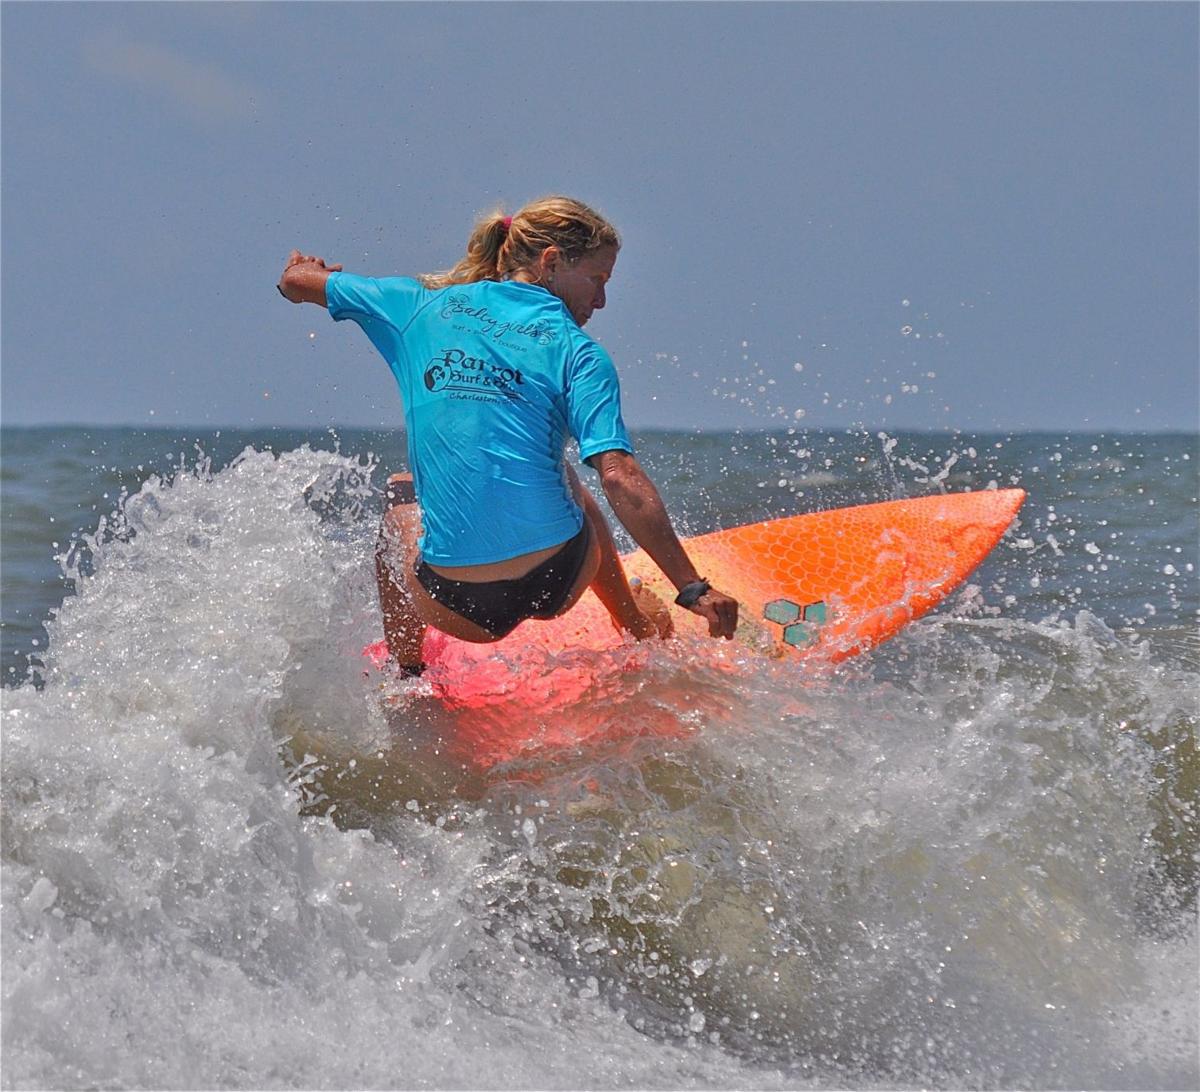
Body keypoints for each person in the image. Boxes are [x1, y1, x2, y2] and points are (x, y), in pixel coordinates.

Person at [277, 195, 738, 675]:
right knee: (569, 477)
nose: (600, 300)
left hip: (456, 604)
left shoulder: (415, 304)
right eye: (597, 280)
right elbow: (619, 476)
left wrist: (303, 270)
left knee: (400, 498)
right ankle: (636, 624)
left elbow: (294, 283)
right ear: (552, 261)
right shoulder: (579, 353)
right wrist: (691, 587)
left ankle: (407, 675)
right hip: (558, 579)